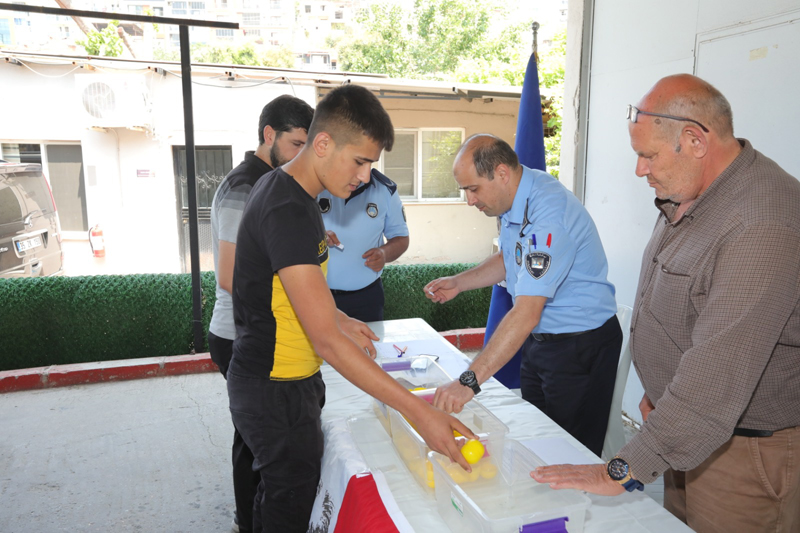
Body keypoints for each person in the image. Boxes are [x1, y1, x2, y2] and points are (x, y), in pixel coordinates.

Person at [532, 74, 800, 533]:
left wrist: (621, 468)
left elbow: (719, 369)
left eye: (648, 155)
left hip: (746, 452)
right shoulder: (692, 193)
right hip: (689, 432)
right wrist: (661, 396)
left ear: (695, 140)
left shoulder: (761, 223)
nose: (640, 170)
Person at [227, 84, 476, 533]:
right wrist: (420, 413)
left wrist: (342, 317)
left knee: (280, 495)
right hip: (273, 386)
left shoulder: (294, 196)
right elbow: (323, 338)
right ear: (323, 144)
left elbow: (287, 288)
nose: (364, 176)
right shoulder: (286, 206)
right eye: (359, 161)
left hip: (291, 379)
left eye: (371, 165)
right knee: (289, 501)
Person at [425, 134, 622, 457]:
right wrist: (460, 282)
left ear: (502, 173)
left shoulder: (547, 214)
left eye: (473, 189)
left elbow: (527, 311)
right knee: (538, 439)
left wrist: (468, 381)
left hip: (578, 345)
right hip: (541, 340)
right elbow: (510, 258)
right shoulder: (515, 197)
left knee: (571, 454)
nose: (470, 201)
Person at [208, 94, 314, 533]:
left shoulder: (273, 184)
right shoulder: (246, 186)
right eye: (295, 144)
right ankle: (248, 522)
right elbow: (233, 275)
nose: (300, 157)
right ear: (268, 135)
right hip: (241, 333)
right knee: (256, 446)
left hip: (258, 331)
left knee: (256, 443)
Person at [318, 167, 409, 322]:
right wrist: (317, 237)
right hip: (318, 295)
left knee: (368, 345)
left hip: (366, 299)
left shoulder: (385, 190)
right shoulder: (316, 185)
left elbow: (401, 238)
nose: (366, 173)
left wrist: (384, 253)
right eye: (360, 161)